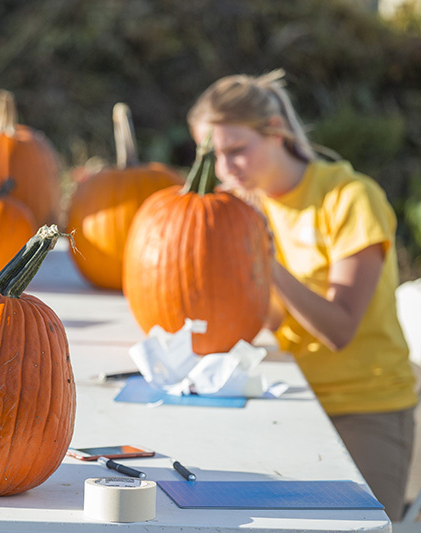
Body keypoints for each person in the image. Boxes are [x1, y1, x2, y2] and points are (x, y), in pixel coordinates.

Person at [187, 69, 418, 520]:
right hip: (289, 401)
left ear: (276, 134)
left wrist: (266, 262)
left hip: (363, 407)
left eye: (236, 151)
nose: (226, 169)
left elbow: (340, 329)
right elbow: (262, 320)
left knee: (359, 526)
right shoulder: (250, 204)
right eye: (215, 156)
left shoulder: (351, 198)